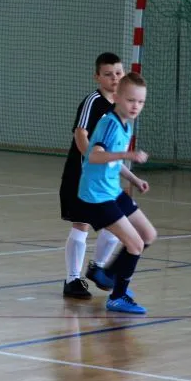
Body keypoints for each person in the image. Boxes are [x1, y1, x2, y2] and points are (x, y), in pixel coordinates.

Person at [75, 72, 155, 314]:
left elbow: (113, 161)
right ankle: (117, 297)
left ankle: (107, 274)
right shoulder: (109, 124)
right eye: (131, 100)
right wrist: (127, 155)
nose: (135, 106)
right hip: (97, 196)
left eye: (140, 102)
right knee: (135, 244)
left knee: (148, 234)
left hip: (112, 191)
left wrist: (134, 179)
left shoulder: (125, 125)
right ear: (117, 97)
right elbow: (95, 155)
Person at [60, 52, 125, 299]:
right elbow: (80, 134)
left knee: (115, 221)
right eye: (108, 74)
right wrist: (92, 160)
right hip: (82, 175)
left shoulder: (121, 106)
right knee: (82, 223)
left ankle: (97, 268)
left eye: (118, 73)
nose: (114, 78)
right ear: (97, 77)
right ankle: (72, 280)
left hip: (105, 178)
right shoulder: (93, 101)